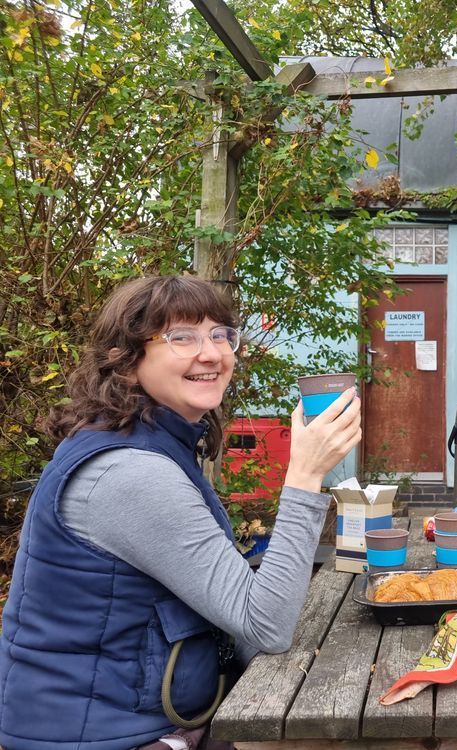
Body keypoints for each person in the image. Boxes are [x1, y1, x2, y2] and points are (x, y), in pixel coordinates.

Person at [0, 275, 362, 749]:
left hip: (145, 718)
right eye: (182, 337)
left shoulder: (148, 442)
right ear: (126, 360)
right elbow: (266, 625)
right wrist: (304, 476)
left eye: (220, 334)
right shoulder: (128, 473)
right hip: (99, 736)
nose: (211, 353)